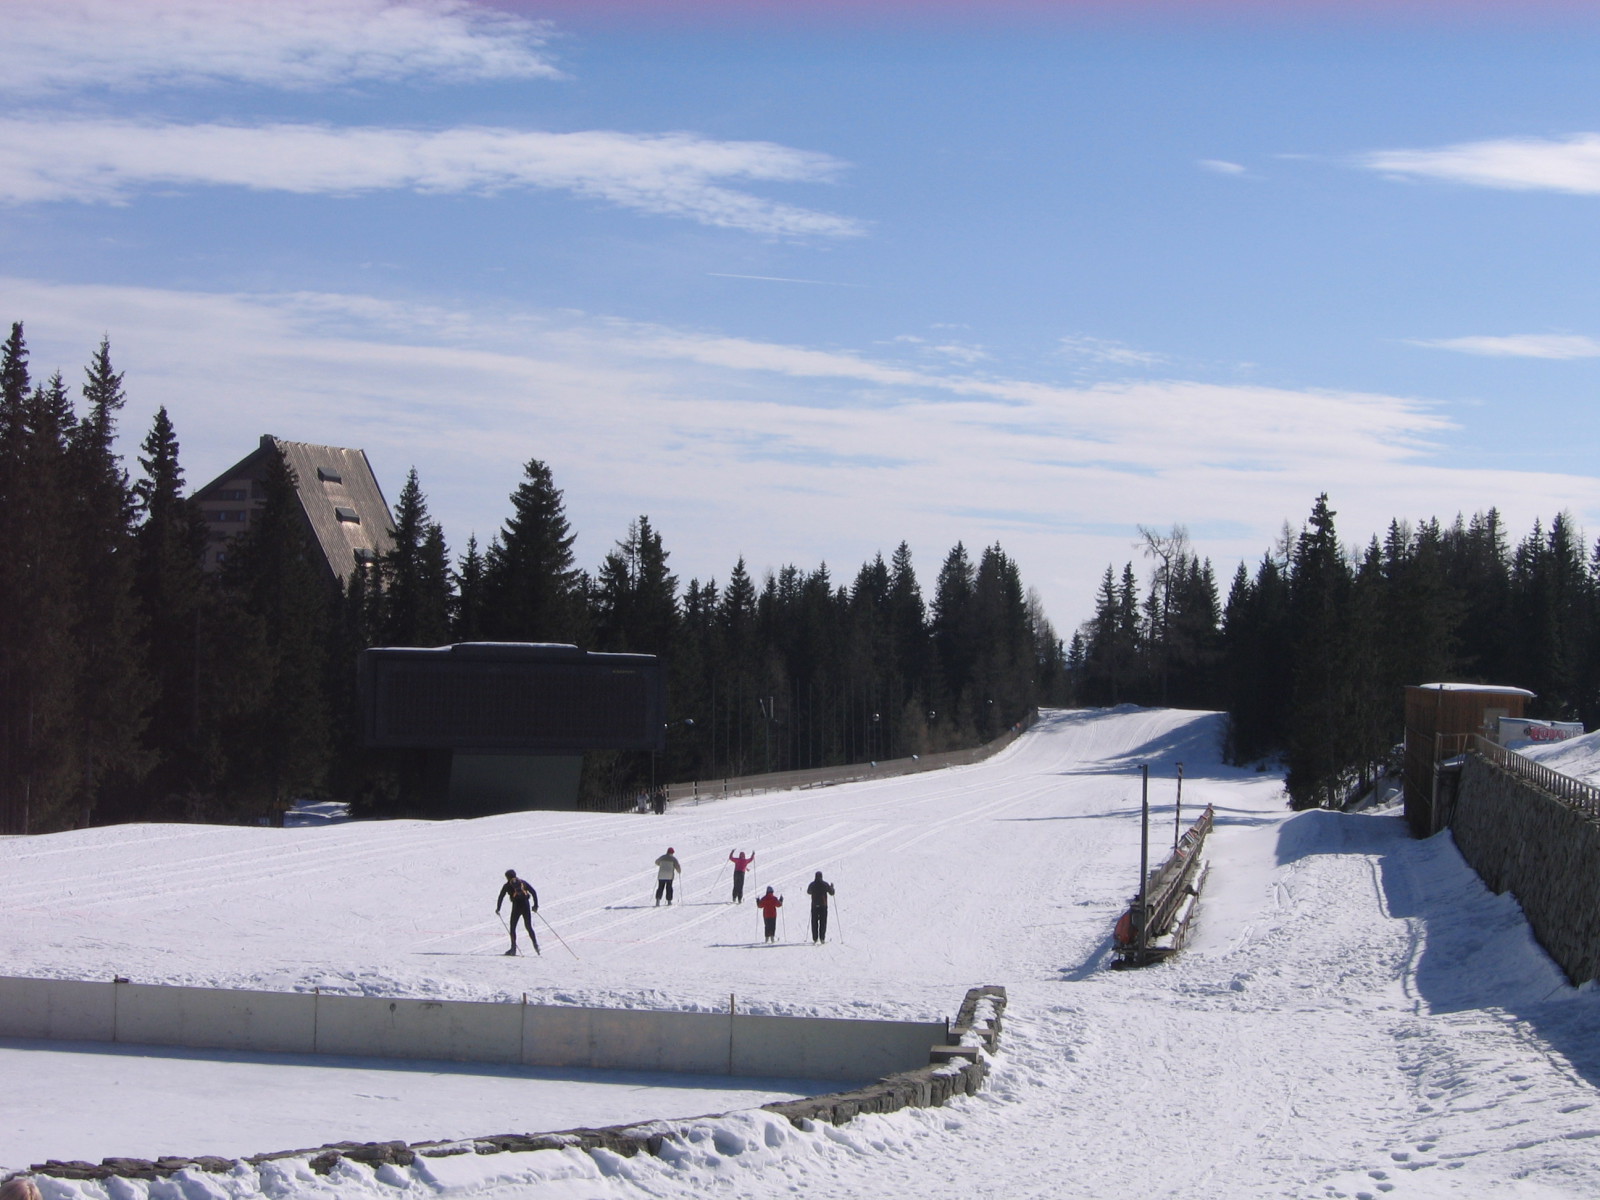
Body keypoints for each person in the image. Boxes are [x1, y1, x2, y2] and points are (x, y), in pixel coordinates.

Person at [496, 869, 540, 956]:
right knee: (528, 926)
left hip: (516, 906)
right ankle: (535, 945)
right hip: (526, 905)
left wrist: (498, 908)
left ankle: (513, 948)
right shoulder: (522, 883)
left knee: (513, 927)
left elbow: (501, 896)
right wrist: (535, 905)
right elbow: (533, 892)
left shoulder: (507, 885)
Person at [806, 871, 836, 943]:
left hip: (814, 906)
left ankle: (815, 938)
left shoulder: (812, 884)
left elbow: (808, 892)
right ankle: (822, 938)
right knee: (823, 922)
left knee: (814, 922)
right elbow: (831, 893)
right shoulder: (825, 884)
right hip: (823, 905)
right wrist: (832, 887)